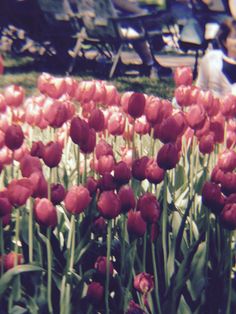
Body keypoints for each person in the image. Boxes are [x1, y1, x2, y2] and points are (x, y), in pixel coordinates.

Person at [112, 0, 173, 78]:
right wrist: (141, 11)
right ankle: (150, 63)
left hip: (97, 27)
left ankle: (151, 58)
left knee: (134, 20)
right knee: (137, 23)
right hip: (114, 28)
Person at [196, 17, 236, 96]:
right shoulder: (211, 59)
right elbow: (200, 88)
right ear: (224, 41)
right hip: (214, 107)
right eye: (234, 37)